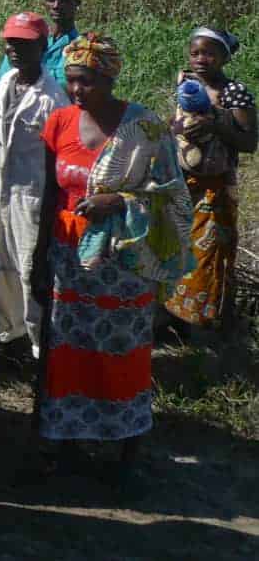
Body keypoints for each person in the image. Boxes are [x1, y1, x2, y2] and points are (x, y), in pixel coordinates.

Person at [32, 34, 193, 487]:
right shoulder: (60, 121)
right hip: (68, 258)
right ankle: (64, 446)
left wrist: (119, 200)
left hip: (124, 266)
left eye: (87, 82)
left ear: (109, 77)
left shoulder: (143, 128)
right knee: (68, 353)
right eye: (72, 81)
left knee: (121, 354)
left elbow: (174, 199)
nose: (77, 91)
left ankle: (124, 452)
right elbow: (49, 194)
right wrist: (39, 257)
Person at [0, 12, 69, 354]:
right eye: (10, 43)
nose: (14, 50)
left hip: (31, 198)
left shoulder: (53, 99)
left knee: (29, 270)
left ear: (42, 46)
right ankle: (9, 337)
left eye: (23, 44)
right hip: (0, 194)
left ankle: (40, 348)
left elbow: (56, 164)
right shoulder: (5, 84)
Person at [165, 27, 255, 331]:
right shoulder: (186, 85)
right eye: (195, 53)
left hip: (214, 189)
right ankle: (173, 317)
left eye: (209, 53)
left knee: (209, 255)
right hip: (181, 184)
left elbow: (249, 141)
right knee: (175, 249)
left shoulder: (233, 92)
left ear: (223, 58)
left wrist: (214, 123)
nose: (201, 59)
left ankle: (206, 320)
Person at [0, 0, 83, 91]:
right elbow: (2, 77)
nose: (56, 5)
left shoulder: (80, 47)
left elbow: (66, 87)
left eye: (64, 0)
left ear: (77, 3)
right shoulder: (27, 36)